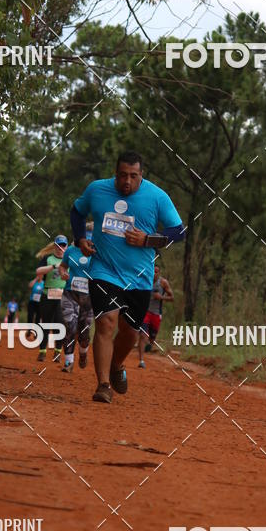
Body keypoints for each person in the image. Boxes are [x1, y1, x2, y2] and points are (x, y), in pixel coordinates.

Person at [71, 150, 184, 403]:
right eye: (122, 175)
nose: (127, 182)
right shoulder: (97, 190)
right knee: (105, 323)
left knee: (130, 333)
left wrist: (148, 239)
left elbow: (178, 231)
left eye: (133, 176)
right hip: (104, 269)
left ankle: (117, 364)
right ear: (115, 173)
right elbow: (77, 212)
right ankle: (103, 386)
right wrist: (80, 239)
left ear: (141, 175)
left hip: (140, 277)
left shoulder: (157, 197)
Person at [58, 223, 95, 373]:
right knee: (70, 325)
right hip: (70, 293)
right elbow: (63, 266)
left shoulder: (97, 253)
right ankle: (68, 361)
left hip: (89, 297)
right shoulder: (71, 251)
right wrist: (62, 273)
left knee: (84, 331)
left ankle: (83, 354)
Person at [35, 235, 68, 362]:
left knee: (60, 324)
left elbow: (72, 275)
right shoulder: (48, 258)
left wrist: (66, 276)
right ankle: (42, 352)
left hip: (63, 295)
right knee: (46, 323)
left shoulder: (69, 260)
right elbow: (38, 271)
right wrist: (54, 267)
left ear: (66, 247)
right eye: (58, 245)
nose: (60, 247)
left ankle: (57, 352)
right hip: (47, 293)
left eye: (63, 245)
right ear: (55, 246)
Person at [137, 266, 173, 367]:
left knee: (152, 338)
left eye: (156, 272)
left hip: (157, 313)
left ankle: (150, 343)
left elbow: (172, 297)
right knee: (143, 335)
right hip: (145, 312)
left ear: (159, 273)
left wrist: (161, 297)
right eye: (152, 272)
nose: (154, 274)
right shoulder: (144, 280)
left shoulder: (163, 283)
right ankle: (141, 360)